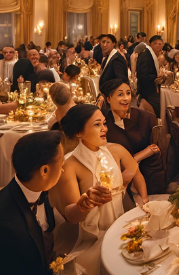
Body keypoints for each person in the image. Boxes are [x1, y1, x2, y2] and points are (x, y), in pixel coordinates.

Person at [53, 104, 147, 273]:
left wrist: (144, 201)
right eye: (97, 124)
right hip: (92, 234)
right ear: (78, 133)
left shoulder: (116, 150)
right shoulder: (70, 165)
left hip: (120, 223)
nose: (104, 128)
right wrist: (85, 204)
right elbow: (71, 216)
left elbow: (136, 172)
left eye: (104, 123)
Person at [0, 131, 64, 275]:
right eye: (61, 163)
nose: (63, 169)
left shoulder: (33, 189)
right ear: (44, 170)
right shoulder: (4, 228)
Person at [100, 79, 165, 194]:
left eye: (128, 93)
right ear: (108, 99)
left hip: (148, 177)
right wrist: (137, 157)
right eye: (120, 94)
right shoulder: (105, 125)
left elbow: (156, 149)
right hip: (120, 181)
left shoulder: (146, 118)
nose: (126, 98)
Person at [135, 35, 165, 117]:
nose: (158, 46)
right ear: (150, 44)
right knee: (154, 111)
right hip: (147, 92)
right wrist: (157, 77)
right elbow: (143, 76)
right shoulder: (146, 56)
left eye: (160, 44)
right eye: (155, 43)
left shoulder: (150, 55)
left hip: (149, 90)